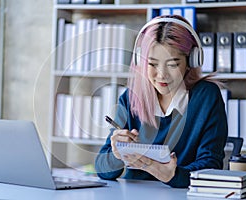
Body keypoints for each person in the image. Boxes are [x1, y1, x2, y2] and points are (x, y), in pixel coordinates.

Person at [94, 15, 228, 188]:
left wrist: (173, 175)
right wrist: (116, 155)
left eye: (172, 65)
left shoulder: (206, 97)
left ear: (191, 61)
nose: (161, 75)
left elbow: (211, 165)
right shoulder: (130, 97)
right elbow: (102, 170)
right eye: (152, 64)